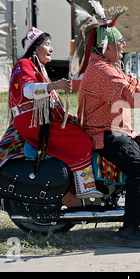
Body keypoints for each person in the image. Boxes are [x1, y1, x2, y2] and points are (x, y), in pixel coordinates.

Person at [76, 10, 140, 246]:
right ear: (106, 47)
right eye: (119, 42)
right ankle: (130, 229)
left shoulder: (108, 66)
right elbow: (130, 95)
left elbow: (137, 83)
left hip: (115, 129)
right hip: (104, 132)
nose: (123, 45)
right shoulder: (102, 71)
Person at [8, 27, 103, 199]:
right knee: (80, 139)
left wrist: (70, 117)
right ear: (35, 47)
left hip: (40, 120)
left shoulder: (39, 69)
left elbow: (51, 102)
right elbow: (28, 91)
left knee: (81, 131)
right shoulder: (24, 65)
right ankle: (85, 187)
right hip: (33, 121)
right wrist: (55, 86)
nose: (51, 49)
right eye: (47, 44)